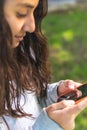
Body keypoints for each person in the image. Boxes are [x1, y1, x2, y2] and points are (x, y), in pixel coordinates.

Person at [0, 0, 87, 130]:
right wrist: (50, 126)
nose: (32, 26)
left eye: (34, 12)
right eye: (21, 13)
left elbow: (26, 100)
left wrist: (54, 94)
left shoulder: (19, 49)